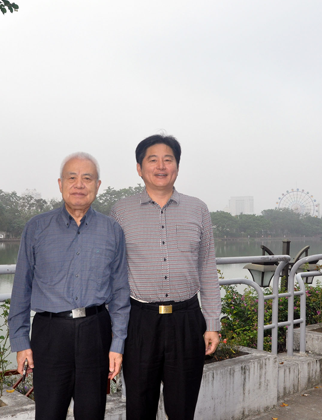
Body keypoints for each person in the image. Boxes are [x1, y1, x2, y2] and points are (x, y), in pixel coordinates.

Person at [8, 152, 130, 420]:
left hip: (96, 331)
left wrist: (117, 343)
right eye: (72, 178)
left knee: (92, 412)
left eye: (87, 178)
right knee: (49, 412)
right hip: (50, 333)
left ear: (98, 185)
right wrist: (20, 341)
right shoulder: (37, 228)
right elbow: (21, 288)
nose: (79, 185)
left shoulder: (112, 230)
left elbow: (120, 293)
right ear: (60, 183)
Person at [110, 134, 221, 420]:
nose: (161, 166)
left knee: (182, 409)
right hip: (139, 322)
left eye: (168, 160)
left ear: (177, 167)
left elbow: (207, 268)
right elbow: (113, 274)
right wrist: (115, 331)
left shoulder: (198, 209)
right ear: (139, 168)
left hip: (186, 320)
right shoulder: (121, 211)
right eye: (153, 160)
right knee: (139, 407)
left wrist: (212, 323)